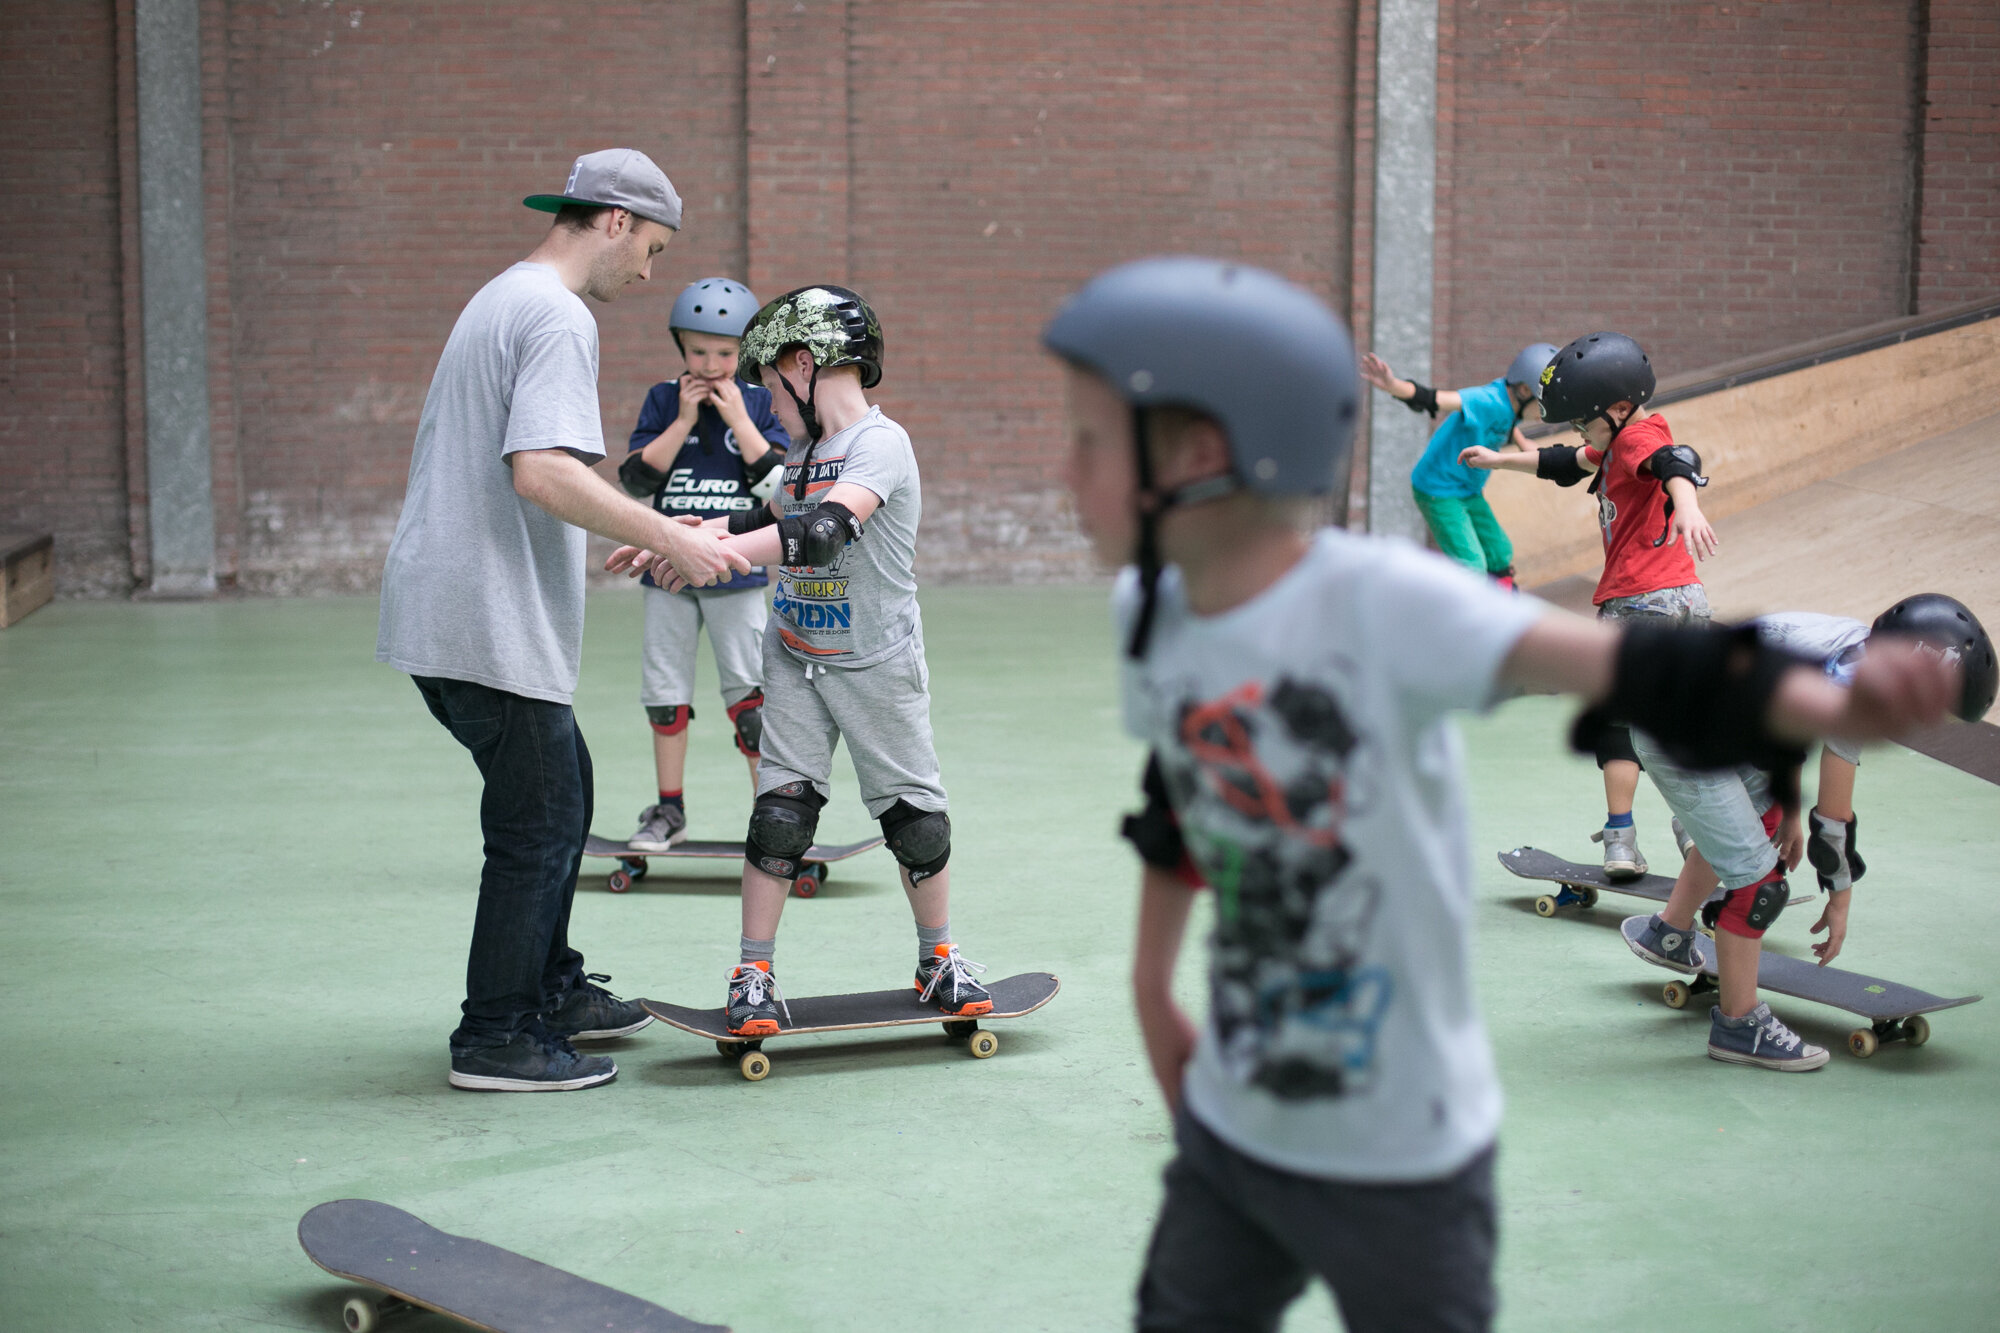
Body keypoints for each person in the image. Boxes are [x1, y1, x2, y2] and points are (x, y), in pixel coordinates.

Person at [1039, 256, 1958, 1331]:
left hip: (1407, 1148)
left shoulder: (1381, 603)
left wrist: (1828, 705)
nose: (1066, 472)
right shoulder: (1150, 610)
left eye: (1089, 442)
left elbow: (1630, 666)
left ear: (1200, 458)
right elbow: (1181, 790)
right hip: (1237, 1134)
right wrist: (1155, 993)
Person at [376, 149, 751, 1092]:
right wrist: (671, 531)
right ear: (615, 222)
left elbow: (560, 482)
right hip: (481, 619)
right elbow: (541, 472)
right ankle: (499, 1034)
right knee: (538, 821)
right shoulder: (555, 315)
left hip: (456, 606)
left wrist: (634, 534)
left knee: (563, 785)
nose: (649, 274)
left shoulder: (506, 295)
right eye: (654, 250)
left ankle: (550, 985)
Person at [609, 285, 994, 1035]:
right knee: (781, 817)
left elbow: (820, 532)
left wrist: (707, 554)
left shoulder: (880, 445)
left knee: (915, 822)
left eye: (773, 392)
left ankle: (938, 957)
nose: (771, 410)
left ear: (802, 364)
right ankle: (753, 969)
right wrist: (678, 535)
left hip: (876, 660)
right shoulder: (806, 452)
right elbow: (766, 514)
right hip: (794, 656)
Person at [1625, 595, 1997, 1070]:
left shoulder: (1848, 646)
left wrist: (1788, 809)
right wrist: (1839, 897)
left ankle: (1669, 933)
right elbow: (1834, 821)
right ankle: (1739, 1027)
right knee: (1760, 887)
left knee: (1763, 823)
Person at [1458, 332, 1719, 883]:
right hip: (1687, 602)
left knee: (1619, 723)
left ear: (1618, 408)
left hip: (1638, 603)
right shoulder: (1627, 435)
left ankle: (1622, 839)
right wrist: (1500, 461)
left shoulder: (1637, 441)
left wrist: (1689, 504)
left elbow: (1676, 462)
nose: (1580, 432)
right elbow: (1571, 462)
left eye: (1584, 420)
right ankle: (1697, 831)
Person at [614, 278, 792, 852]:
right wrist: (686, 421)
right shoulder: (665, 400)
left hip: (735, 569)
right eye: (698, 352)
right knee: (665, 692)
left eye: (724, 353)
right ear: (680, 349)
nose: (711, 364)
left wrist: (739, 418)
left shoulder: (762, 401)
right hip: (667, 570)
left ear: (745, 352)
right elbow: (637, 481)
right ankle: (669, 811)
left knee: (749, 703)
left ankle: (770, 815)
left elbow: (781, 489)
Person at [1359, 342, 1559, 587]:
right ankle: (1462, 616)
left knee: (1499, 551)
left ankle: (1501, 602)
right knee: (1471, 565)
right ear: (1525, 391)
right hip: (1438, 489)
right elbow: (1433, 399)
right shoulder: (1485, 399)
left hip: (1468, 490)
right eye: (1543, 405)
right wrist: (1393, 385)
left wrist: (1522, 442)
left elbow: (1505, 421)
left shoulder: (1511, 403)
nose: (1546, 412)